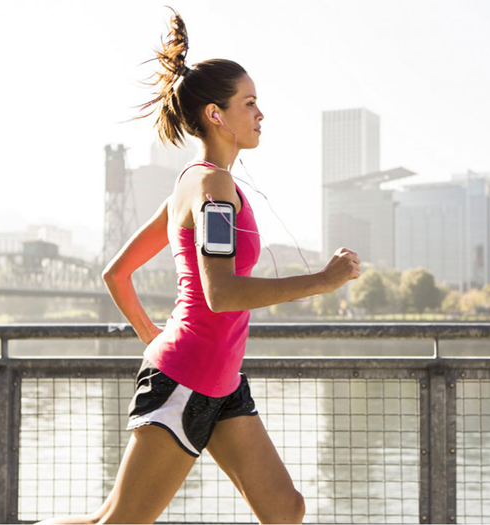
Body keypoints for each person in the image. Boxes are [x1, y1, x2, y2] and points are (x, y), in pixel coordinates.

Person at [36, 7, 360, 524]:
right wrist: (323, 280)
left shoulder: (191, 185)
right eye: (249, 103)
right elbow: (222, 294)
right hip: (187, 380)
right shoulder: (211, 186)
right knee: (119, 523)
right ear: (216, 114)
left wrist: (153, 340)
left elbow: (116, 274)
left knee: (285, 509)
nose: (260, 114)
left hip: (222, 382)